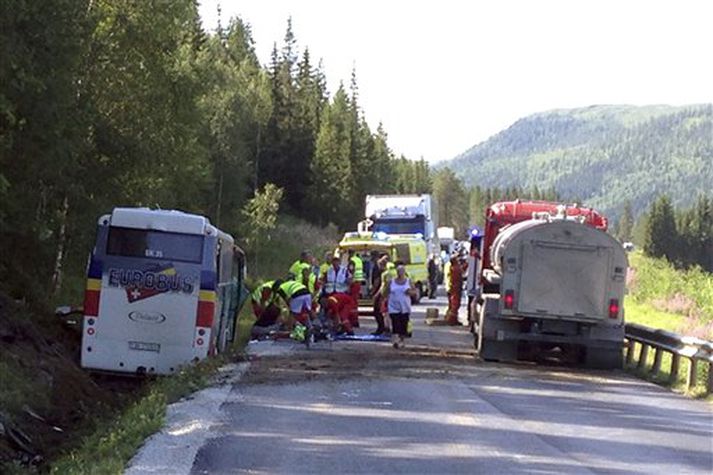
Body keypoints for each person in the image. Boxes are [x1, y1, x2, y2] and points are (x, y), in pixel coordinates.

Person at [383, 264, 417, 348]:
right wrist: (386, 293)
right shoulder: (392, 282)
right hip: (393, 307)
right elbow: (385, 293)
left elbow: (415, 292)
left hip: (405, 307)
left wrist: (410, 292)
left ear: (404, 272)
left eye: (402, 271)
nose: (400, 273)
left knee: (403, 325)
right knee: (395, 323)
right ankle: (396, 341)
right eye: (399, 271)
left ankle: (401, 341)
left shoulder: (408, 281)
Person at [371, 254, 390, 335]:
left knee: (377, 310)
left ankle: (381, 328)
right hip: (387, 292)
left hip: (381, 291)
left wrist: (373, 292)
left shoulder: (377, 268)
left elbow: (377, 281)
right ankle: (384, 328)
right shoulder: (387, 269)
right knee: (384, 312)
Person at [445, 253, 464, 325]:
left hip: (452, 287)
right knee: (455, 305)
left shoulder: (450, 267)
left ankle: (452, 319)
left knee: (453, 305)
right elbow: (460, 274)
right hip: (455, 288)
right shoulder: (456, 268)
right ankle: (452, 320)